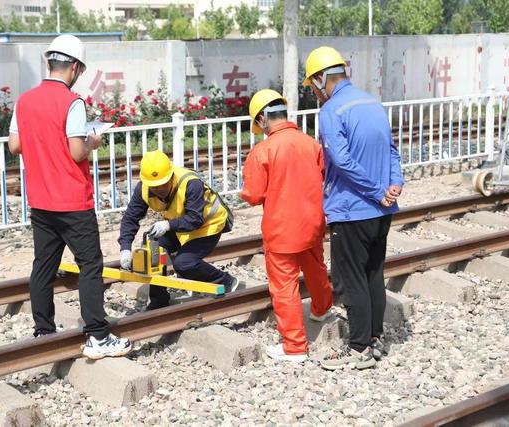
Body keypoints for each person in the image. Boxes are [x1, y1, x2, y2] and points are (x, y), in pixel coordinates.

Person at [7, 34, 131, 359]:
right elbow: (77, 151)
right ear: (74, 67)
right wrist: (93, 141)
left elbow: (14, 146)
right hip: (72, 201)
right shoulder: (73, 103)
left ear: (49, 62)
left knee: (43, 266)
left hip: (40, 201)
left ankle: (44, 330)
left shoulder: (24, 101)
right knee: (91, 265)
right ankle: (98, 337)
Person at [302, 46, 404, 370]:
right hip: (383, 210)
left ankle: (358, 348)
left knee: (354, 279)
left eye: (313, 86)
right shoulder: (373, 103)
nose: (314, 93)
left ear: (321, 79)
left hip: (352, 210)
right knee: (374, 274)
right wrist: (393, 185)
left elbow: (342, 161)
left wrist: (375, 191)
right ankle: (375, 339)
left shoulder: (332, 111)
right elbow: (392, 151)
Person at [241, 89, 333, 362]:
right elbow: (325, 175)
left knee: (284, 286)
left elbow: (253, 195)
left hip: (281, 229)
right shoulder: (310, 144)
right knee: (316, 269)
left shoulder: (263, 151)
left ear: (262, 120)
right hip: (313, 222)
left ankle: (294, 346)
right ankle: (322, 308)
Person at [118, 150, 239, 309]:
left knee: (184, 264)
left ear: (171, 175)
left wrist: (167, 225)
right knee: (153, 251)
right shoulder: (144, 188)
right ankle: (159, 300)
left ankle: (224, 280)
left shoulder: (190, 183)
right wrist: (125, 248)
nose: (159, 189)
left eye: (163, 184)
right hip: (179, 224)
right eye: (155, 186)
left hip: (208, 225)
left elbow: (195, 219)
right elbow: (130, 218)